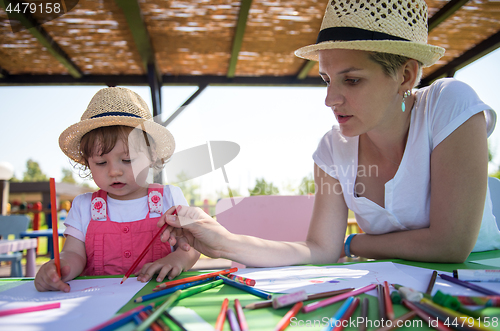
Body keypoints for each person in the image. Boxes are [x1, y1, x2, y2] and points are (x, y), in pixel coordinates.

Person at [158, 0, 500, 266]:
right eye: (326, 79)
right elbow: (319, 249)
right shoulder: (331, 150)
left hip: (479, 283)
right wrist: (223, 241)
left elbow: (451, 245)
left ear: (406, 76)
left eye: (351, 80)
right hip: (390, 288)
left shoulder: (448, 104)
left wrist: (353, 244)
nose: (329, 99)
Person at [35, 87, 200, 292]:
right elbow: (73, 254)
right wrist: (60, 269)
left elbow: (191, 247)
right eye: (101, 163)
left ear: (152, 155)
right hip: (96, 304)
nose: (114, 171)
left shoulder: (169, 198)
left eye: (127, 160)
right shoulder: (83, 206)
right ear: (87, 163)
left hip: (158, 298)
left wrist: (178, 258)